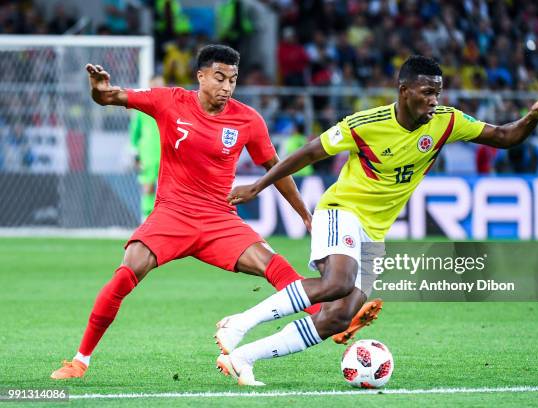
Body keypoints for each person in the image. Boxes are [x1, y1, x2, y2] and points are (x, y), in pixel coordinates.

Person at [216, 55, 538, 386]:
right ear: (404, 90)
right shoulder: (366, 125)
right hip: (341, 211)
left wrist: (531, 118)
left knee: (338, 317)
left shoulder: (447, 122)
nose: (434, 101)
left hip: (374, 232)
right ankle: (240, 323)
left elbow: (503, 136)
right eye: (427, 93)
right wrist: (259, 186)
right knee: (337, 282)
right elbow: (308, 152)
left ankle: (244, 357)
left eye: (438, 93)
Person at [50, 45, 379, 380]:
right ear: (201, 76)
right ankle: (80, 361)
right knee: (125, 274)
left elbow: (276, 168)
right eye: (219, 78)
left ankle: (335, 321)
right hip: (171, 215)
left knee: (274, 264)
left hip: (219, 221)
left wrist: (304, 214)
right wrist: (99, 89)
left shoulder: (248, 120)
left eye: (233, 80)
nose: (226, 87)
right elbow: (108, 98)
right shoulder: (169, 100)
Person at [129, 76, 164, 221]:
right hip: (148, 154)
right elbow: (134, 134)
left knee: (166, 189)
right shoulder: (141, 108)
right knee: (148, 187)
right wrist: (136, 155)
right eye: (155, 85)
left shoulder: (169, 106)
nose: (158, 88)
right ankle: (146, 220)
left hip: (167, 154)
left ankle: (162, 221)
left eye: (161, 85)